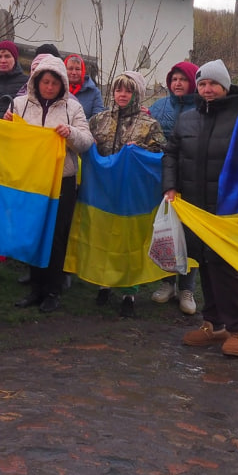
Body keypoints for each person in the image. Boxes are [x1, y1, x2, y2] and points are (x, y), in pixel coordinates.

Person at [162, 59, 238, 357]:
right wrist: (170, 185)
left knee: (225, 266)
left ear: (225, 86)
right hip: (195, 207)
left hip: (228, 208)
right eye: (202, 84)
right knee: (203, 261)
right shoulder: (187, 118)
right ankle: (213, 324)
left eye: (213, 83)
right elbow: (171, 153)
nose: (207, 89)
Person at [9, 55, 94, 313]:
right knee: (34, 233)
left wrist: (70, 133)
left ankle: (53, 291)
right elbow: (12, 141)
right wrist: (8, 124)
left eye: (54, 84)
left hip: (62, 180)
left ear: (62, 85)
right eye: (44, 82)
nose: (49, 87)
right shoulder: (19, 104)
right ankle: (35, 289)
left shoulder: (73, 107)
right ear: (36, 81)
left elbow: (87, 141)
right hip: (32, 179)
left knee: (57, 236)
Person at [87, 71, 166, 316]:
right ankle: (104, 284)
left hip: (133, 194)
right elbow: (86, 145)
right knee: (103, 238)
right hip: (103, 191)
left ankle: (129, 293)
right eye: (118, 90)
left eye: (128, 90)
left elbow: (161, 153)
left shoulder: (149, 124)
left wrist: (140, 149)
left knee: (129, 241)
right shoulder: (99, 119)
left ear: (137, 94)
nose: (122, 95)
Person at [146, 60, 200, 312]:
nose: (177, 83)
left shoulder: (202, 108)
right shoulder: (158, 107)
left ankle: (187, 288)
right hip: (164, 177)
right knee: (165, 230)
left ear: (193, 83)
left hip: (193, 179)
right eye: (174, 79)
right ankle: (166, 282)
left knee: (191, 234)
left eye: (183, 79)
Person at [65, 54, 105, 119]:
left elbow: (97, 119)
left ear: (83, 70)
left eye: (77, 69)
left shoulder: (94, 92)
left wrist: (77, 126)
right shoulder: (57, 89)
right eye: (70, 68)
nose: (74, 72)